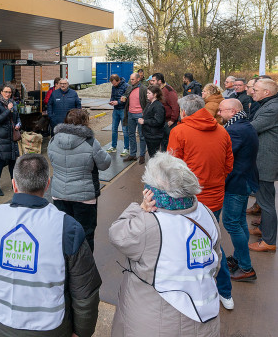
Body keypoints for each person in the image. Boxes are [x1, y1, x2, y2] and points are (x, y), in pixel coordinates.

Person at [0, 154, 102, 337]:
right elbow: (85, 294)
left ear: (14, 184)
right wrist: (81, 332)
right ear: (47, 184)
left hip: (2, 327)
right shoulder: (67, 228)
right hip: (53, 328)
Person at [109, 152, 221, 336]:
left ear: (152, 191)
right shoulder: (205, 214)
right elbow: (216, 261)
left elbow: (117, 234)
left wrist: (140, 209)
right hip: (206, 319)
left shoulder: (149, 224)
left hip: (155, 320)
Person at [168, 94, 234, 310]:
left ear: (185, 111)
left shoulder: (179, 131)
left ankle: (185, 290)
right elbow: (228, 165)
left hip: (188, 200)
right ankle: (225, 292)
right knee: (213, 243)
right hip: (215, 199)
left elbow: (172, 168)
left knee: (185, 245)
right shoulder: (222, 131)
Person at [48, 108, 111, 251]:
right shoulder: (90, 142)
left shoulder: (53, 140)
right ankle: (84, 267)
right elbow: (105, 164)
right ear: (84, 123)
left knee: (64, 233)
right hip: (84, 197)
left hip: (59, 195)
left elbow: (52, 160)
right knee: (86, 234)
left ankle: (66, 265)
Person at [217, 99, 258, 281]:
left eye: (221, 110)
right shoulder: (243, 125)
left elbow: (224, 155)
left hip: (237, 182)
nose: (218, 113)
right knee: (239, 222)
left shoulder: (235, 130)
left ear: (232, 111)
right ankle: (239, 258)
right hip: (243, 180)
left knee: (232, 223)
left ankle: (246, 267)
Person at [248, 78, 278, 252]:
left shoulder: (272, 108)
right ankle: (264, 230)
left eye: (256, 89)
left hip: (267, 161)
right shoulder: (268, 104)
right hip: (265, 158)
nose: (252, 92)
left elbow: (252, 128)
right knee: (264, 199)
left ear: (267, 92)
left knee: (266, 203)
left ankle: (269, 241)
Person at [0, 84, 21, 196]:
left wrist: (19, 124)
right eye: (6, 92)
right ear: (1, 92)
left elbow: (17, 116)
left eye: (9, 92)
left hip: (12, 137)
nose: (8, 94)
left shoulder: (13, 103)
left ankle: (15, 185)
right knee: (0, 162)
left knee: (13, 163)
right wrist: (8, 110)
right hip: (2, 138)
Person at [150, 72, 180, 151]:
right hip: (162, 121)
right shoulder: (159, 90)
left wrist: (173, 119)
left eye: (153, 80)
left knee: (168, 143)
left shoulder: (169, 91)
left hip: (169, 122)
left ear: (159, 81)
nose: (151, 82)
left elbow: (175, 106)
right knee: (163, 142)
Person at [122, 73, 147, 164]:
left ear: (137, 79)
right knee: (131, 134)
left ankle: (142, 155)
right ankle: (132, 154)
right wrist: (123, 98)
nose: (131, 81)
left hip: (140, 114)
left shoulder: (143, 89)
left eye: (132, 79)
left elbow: (147, 101)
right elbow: (125, 96)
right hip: (130, 114)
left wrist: (144, 114)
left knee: (142, 136)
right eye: (130, 79)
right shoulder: (129, 88)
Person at [138, 85, 165, 158]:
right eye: (147, 93)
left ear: (155, 94)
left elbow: (158, 121)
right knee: (151, 154)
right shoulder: (150, 103)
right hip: (149, 134)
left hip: (154, 135)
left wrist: (144, 121)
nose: (147, 94)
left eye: (149, 93)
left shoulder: (158, 106)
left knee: (154, 155)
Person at [107, 74, 130, 156]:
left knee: (125, 130)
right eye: (112, 84)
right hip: (116, 110)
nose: (114, 85)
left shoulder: (126, 86)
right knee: (114, 129)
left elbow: (127, 99)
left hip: (123, 110)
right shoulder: (113, 87)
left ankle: (126, 148)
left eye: (114, 83)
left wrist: (118, 102)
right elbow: (112, 96)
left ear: (118, 80)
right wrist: (112, 101)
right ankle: (113, 146)